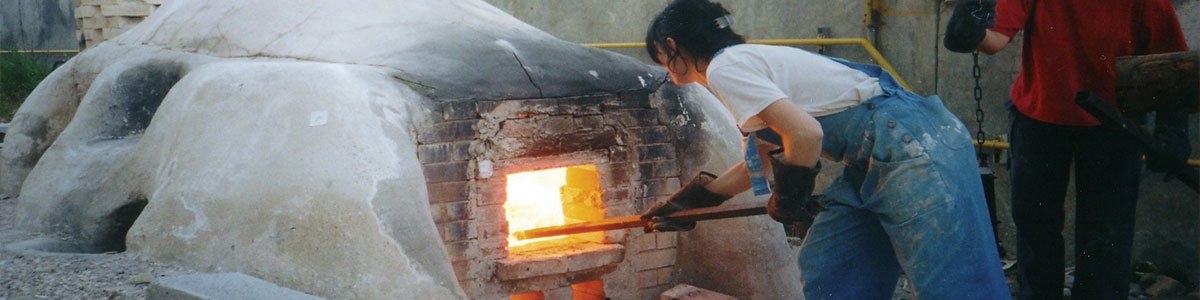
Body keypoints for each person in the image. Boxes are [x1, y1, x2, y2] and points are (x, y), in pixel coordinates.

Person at [639, 0, 1010, 298]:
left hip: (912, 149)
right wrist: (690, 203)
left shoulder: (726, 68)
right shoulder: (745, 64)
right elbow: (762, 160)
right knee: (832, 268)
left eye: (659, 54)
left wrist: (789, 199)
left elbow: (806, 136)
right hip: (880, 157)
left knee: (955, 285)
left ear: (670, 46)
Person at [944, 0, 1191, 299]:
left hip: (1113, 123)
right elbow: (994, 39)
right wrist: (970, 30)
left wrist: (1172, 126)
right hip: (1039, 116)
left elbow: (1169, 54)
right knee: (1036, 226)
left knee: (1107, 232)